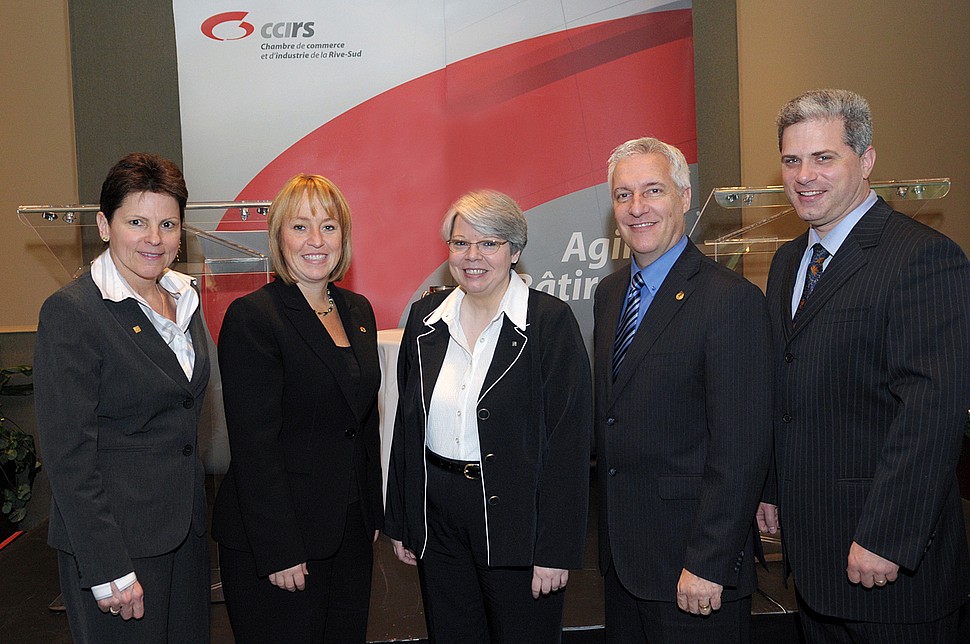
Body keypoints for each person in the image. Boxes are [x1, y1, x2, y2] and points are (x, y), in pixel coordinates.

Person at [756, 89, 970, 643]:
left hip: (891, 570)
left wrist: (888, 536)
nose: (804, 175)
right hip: (813, 566)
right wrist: (773, 487)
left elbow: (931, 413)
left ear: (867, 160)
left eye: (823, 157)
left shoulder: (923, 257)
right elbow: (789, 388)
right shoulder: (787, 262)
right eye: (791, 160)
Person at [384, 189, 592, 643]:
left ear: (515, 251)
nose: (472, 256)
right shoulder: (424, 320)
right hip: (438, 520)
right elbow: (407, 428)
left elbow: (569, 444)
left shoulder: (550, 323)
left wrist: (555, 549)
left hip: (518, 524)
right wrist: (401, 518)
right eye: (460, 243)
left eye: (489, 243)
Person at [593, 137, 772, 643]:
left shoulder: (729, 299)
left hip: (693, 571)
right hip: (624, 567)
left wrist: (709, 561)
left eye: (653, 190)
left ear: (685, 196)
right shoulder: (609, 296)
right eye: (623, 195)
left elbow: (741, 447)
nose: (636, 208)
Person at [34, 152, 210, 642]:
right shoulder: (73, 313)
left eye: (168, 224)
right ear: (103, 226)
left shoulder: (186, 298)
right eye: (137, 221)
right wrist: (108, 566)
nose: (154, 238)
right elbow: (68, 455)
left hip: (183, 537)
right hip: (118, 549)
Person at [211, 174, 382, 643]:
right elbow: (254, 446)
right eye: (300, 226)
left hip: (348, 529)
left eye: (328, 227)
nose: (315, 241)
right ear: (278, 237)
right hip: (279, 542)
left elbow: (361, 424)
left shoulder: (358, 311)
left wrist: (370, 513)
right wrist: (280, 549)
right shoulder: (254, 318)